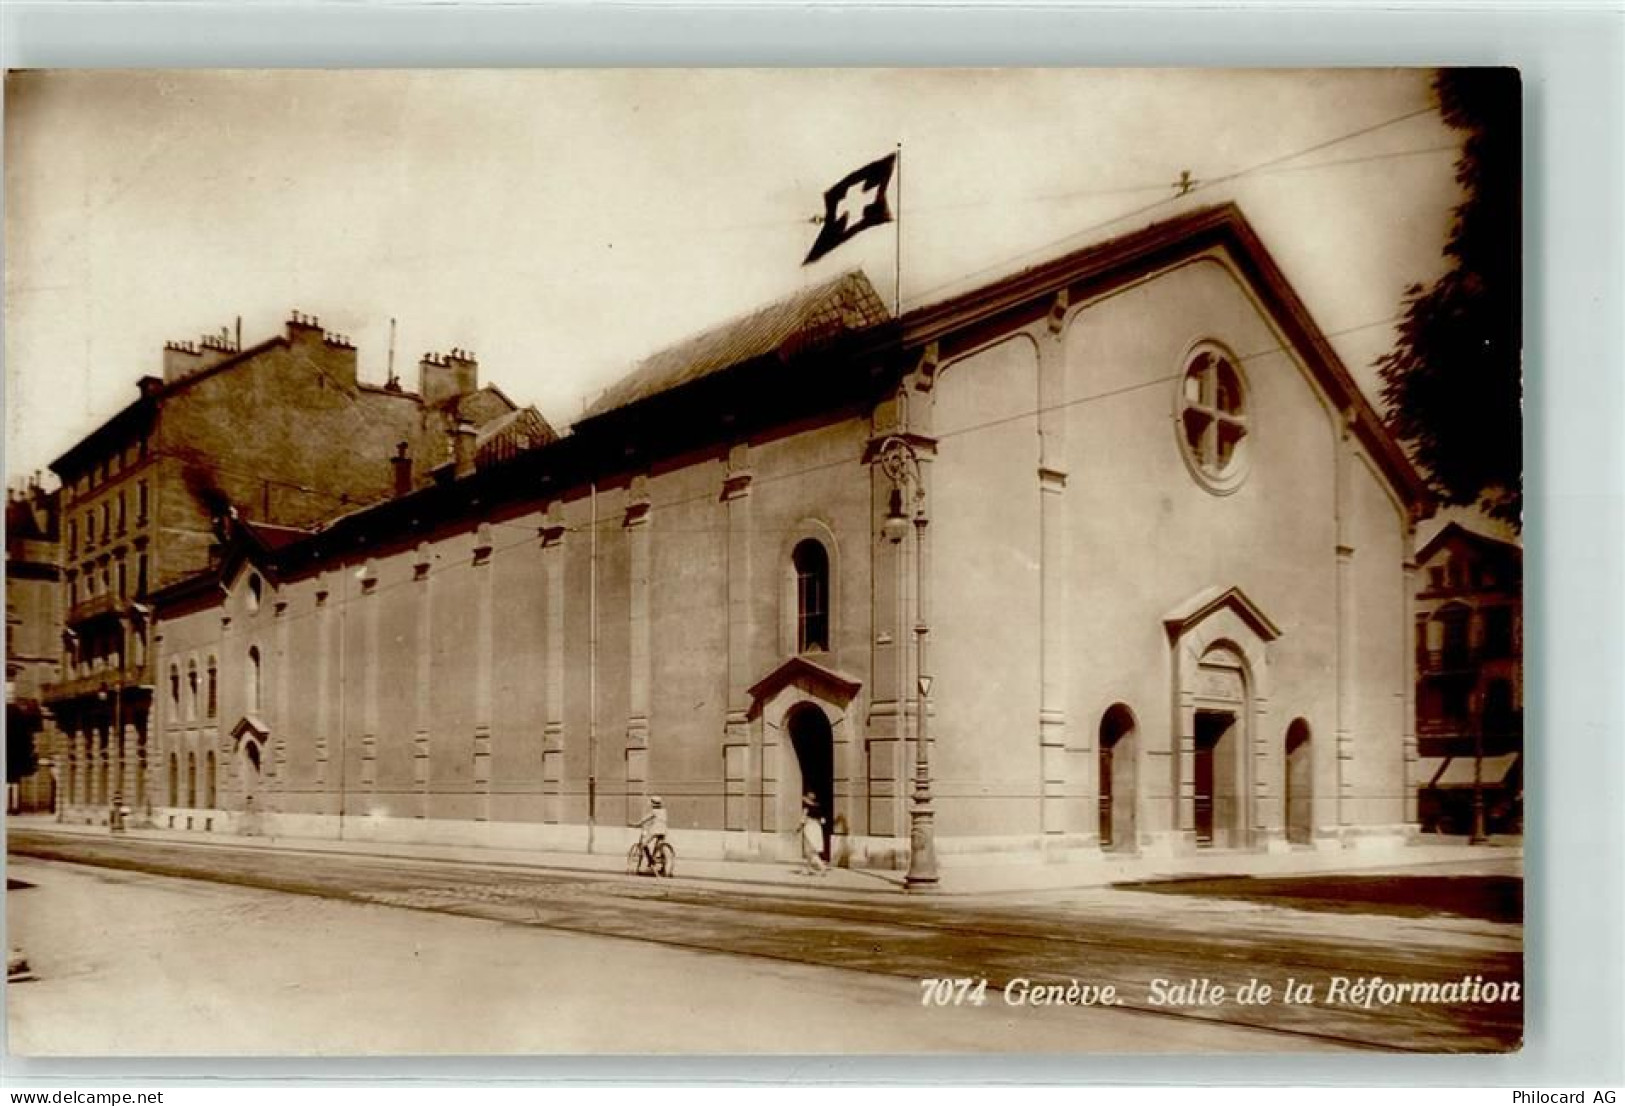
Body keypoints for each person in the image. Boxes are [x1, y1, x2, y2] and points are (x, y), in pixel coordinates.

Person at [637, 795, 668, 870]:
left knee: (644, 844)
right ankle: (662, 867)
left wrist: (638, 824)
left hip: (656, 830)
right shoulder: (664, 811)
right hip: (663, 831)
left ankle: (651, 861)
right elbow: (660, 820)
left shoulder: (654, 811)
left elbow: (646, 819)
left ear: (653, 804)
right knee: (658, 846)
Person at [800, 792, 827, 875]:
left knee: (810, 849)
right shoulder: (818, 807)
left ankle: (822, 866)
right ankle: (808, 869)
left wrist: (799, 827)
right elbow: (823, 820)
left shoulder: (806, 807)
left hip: (809, 828)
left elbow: (803, 818)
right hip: (817, 828)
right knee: (812, 849)